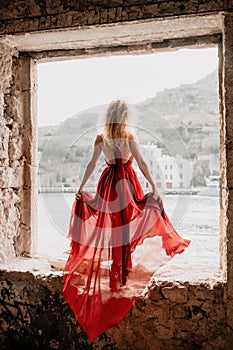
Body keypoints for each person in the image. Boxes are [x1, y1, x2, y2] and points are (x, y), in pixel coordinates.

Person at [62, 99, 190, 340]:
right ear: (125, 116)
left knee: (113, 226)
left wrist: (80, 187)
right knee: (130, 223)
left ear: (108, 115)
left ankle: (117, 268)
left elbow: (91, 164)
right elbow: (140, 163)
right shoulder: (130, 136)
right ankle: (124, 267)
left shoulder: (101, 139)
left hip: (109, 183)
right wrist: (153, 186)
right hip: (128, 183)